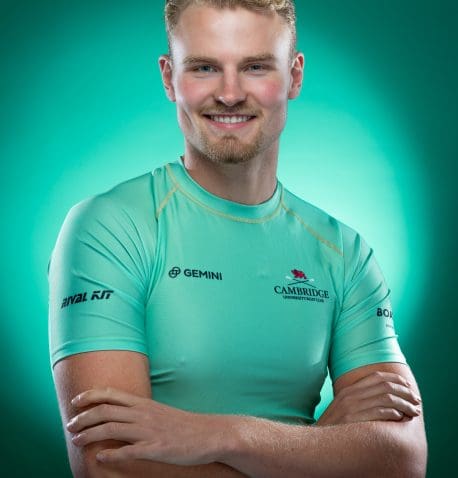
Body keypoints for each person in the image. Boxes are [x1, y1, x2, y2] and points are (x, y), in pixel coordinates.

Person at [49, 1, 427, 476]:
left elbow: (404, 460)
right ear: (169, 78)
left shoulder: (344, 253)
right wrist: (321, 442)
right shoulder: (109, 228)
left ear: (294, 76)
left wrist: (222, 435)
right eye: (204, 67)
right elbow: (109, 467)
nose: (229, 94)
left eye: (255, 67)